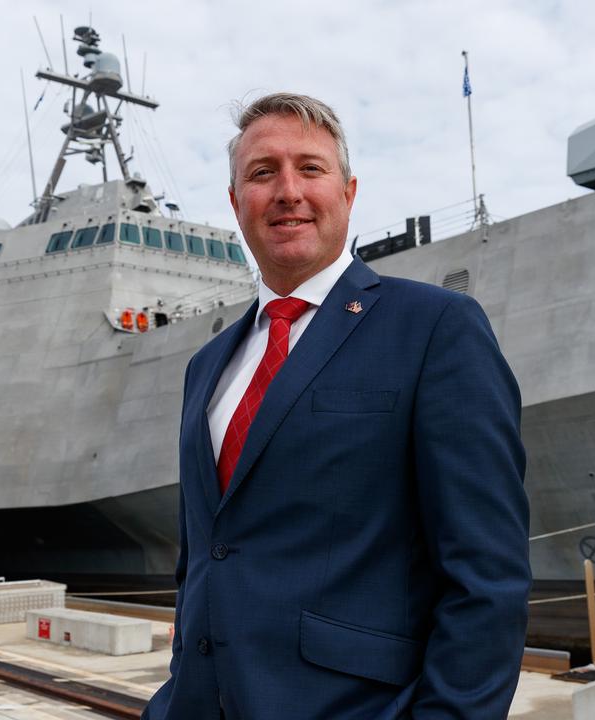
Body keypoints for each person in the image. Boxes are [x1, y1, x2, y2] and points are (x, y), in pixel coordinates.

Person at [142, 93, 530, 720]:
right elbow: (203, 560)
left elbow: (488, 577)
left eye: (311, 168)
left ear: (348, 192)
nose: (288, 190)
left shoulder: (434, 328)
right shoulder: (207, 367)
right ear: (236, 202)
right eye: (263, 172)